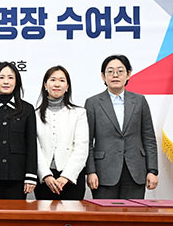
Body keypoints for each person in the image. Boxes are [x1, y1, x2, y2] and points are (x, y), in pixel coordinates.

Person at [85, 54, 158, 199]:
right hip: (104, 172)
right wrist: (90, 171)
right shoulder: (92, 103)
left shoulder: (139, 101)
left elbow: (149, 138)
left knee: (133, 212)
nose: (115, 75)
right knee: (105, 213)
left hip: (135, 171)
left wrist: (152, 170)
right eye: (110, 71)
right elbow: (87, 141)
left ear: (128, 74)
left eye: (120, 71)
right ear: (103, 76)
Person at [0, 62, 37, 199]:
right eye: (1, 77)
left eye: (10, 78)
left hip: (18, 176)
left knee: (17, 213)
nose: (6, 82)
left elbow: (31, 144)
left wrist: (31, 175)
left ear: (17, 82)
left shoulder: (27, 109)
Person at [35, 66, 88, 200]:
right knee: (44, 213)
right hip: (44, 179)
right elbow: (34, 148)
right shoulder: (34, 114)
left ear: (67, 86)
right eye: (53, 80)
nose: (57, 84)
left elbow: (81, 147)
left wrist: (66, 176)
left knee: (71, 213)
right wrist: (46, 175)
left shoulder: (79, 113)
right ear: (45, 85)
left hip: (72, 178)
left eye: (62, 80)